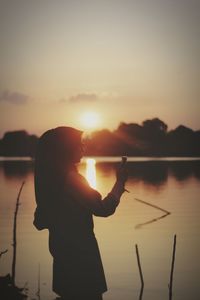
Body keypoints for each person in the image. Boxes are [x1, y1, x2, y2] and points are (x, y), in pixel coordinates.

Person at [33, 126, 128, 300]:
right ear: (66, 148)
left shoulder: (51, 178)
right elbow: (103, 209)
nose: (83, 147)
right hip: (81, 256)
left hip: (62, 251)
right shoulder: (72, 180)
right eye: (79, 144)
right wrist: (120, 184)